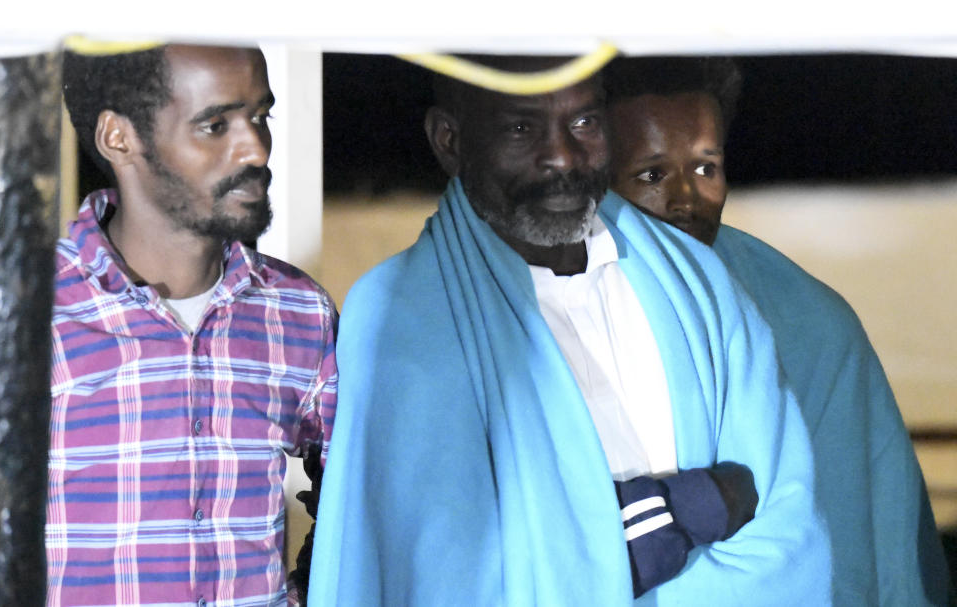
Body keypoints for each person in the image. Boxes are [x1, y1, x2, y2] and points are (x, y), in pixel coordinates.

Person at [308, 56, 830, 605]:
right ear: (449, 141)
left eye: (584, 123)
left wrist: (619, 531)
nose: (561, 155)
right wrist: (680, 510)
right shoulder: (401, 309)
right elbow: (443, 570)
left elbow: (780, 518)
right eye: (520, 128)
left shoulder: (696, 281)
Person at [605, 55, 953, 605]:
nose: (685, 199)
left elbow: (870, 538)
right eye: (651, 175)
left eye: (705, 168)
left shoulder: (813, 320)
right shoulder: (563, 304)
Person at [49, 44, 338, 606]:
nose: (255, 148)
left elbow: (355, 483)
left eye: (260, 117)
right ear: (119, 137)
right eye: (215, 124)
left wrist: (313, 581)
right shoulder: (29, 309)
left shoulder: (299, 311)